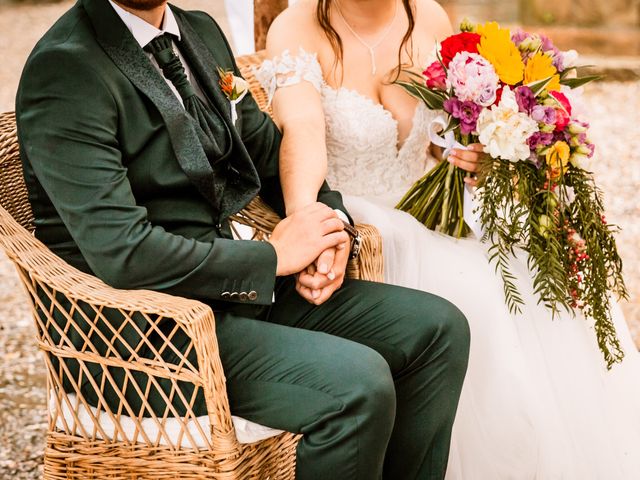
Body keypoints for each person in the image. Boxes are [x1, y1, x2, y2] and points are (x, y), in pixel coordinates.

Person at [15, 0, 470, 478]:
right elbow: (123, 253)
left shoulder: (199, 30)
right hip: (141, 334)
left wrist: (328, 226)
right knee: (357, 386)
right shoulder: (65, 69)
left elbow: (266, 150)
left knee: (437, 331)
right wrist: (272, 258)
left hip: (233, 292)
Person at [258, 0, 640, 478]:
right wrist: (307, 222)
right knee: (479, 293)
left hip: (430, 212)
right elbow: (303, 129)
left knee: (537, 271)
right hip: (360, 218)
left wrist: (480, 154)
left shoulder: (430, 18)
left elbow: (443, 140)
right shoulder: (298, 26)